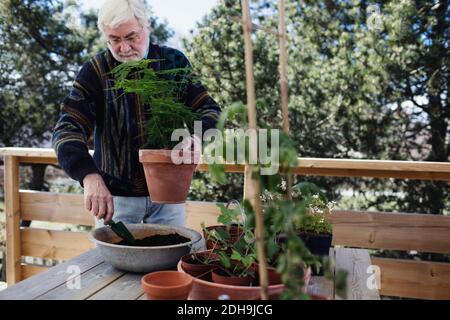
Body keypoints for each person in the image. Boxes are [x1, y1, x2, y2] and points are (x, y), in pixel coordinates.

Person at [52, 0, 221, 228]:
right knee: (114, 263)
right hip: (115, 200)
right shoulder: (95, 71)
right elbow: (67, 128)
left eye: (131, 37)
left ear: (146, 27)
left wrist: (198, 137)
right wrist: (88, 175)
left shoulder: (173, 62)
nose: (123, 48)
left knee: (169, 261)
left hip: (169, 197)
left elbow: (209, 109)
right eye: (114, 40)